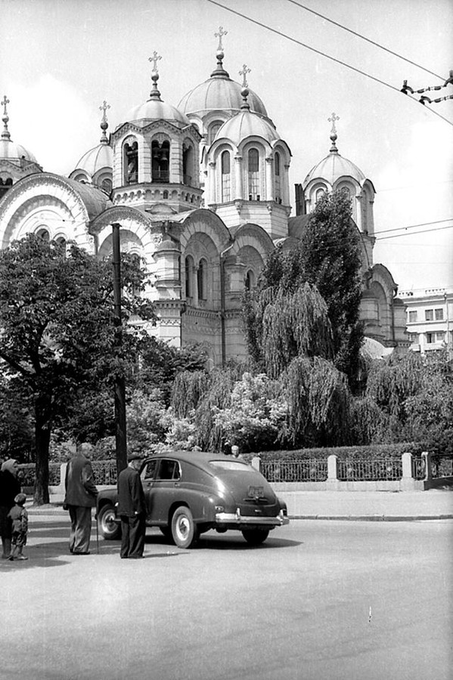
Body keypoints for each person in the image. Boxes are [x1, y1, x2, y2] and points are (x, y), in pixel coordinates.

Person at [64, 443, 98, 555]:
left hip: (71, 498)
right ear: (85, 450)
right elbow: (87, 481)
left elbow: (66, 481)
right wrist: (96, 492)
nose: (91, 453)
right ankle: (80, 547)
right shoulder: (85, 462)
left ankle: (73, 545)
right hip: (82, 498)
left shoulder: (71, 461)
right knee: (83, 524)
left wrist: (66, 496)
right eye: (90, 450)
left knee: (75, 523)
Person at [117, 453, 146, 559]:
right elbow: (136, 494)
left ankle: (124, 552)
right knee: (136, 531)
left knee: (125, 532)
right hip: (133, 508)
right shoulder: (134, 475)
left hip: (123, 507)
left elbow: (120, 491)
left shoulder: (122, 474)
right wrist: (138, 508)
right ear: (133, 462)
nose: (140, 464)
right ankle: (134, 552)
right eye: (138, 462)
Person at [0, 459, 21, 559]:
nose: (17, 469)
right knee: (7, 529)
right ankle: (7, 552)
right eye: (15, 467)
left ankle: (6, 551)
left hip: (6, 506)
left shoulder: (7, 477)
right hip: (6, 507)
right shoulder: (8, 479)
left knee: (6, 530)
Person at [8, 493, 29, 561]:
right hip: (20, 527)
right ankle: (19, 554)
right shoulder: (23, 510)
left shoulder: (13, 509)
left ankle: (11, 553)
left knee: (14, 541)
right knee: (20, 541)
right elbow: (24, 520)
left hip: (13, 526)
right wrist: (25, 529)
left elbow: (9, 516)